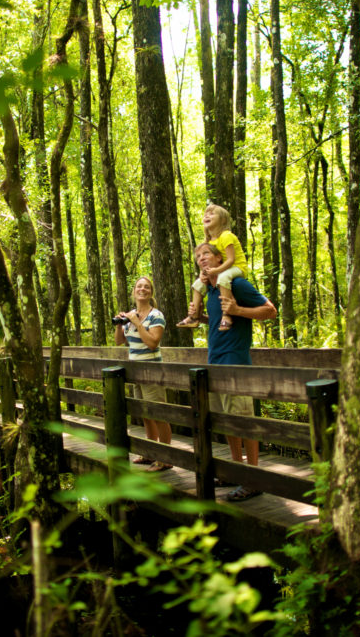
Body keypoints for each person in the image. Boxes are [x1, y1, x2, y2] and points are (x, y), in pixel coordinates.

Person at [193, 242, 277, 502]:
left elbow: (271, 310)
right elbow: (223, 318)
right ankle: (235, 471)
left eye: (206, 253)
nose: (201, 258)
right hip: (215, 359)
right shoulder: (211, 291)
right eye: (197, 256)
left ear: (221, 258)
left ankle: (252, 478)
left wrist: (238, 310)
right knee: (228, 421)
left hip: (236, 361)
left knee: (243, 420)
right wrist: (203, 318)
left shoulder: (238, 285)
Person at [114, 276, 173, 472]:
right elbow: (119, 342)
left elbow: (152, 343)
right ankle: (149, 453)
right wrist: (120, 323)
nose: (142, 289)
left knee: (157, 413)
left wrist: (138, 323)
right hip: (135, 371)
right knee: (145, 414)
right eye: (139, 286)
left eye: (146, 287)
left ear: (151, 292)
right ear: (134, 291)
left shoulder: (156, 315)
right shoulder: (131, 315)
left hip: (152, 370)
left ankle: (165, 457)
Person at [177, 204, 250, 332]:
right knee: (198, 284)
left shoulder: (226, 236)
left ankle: (227, 315)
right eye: (205, 214)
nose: (207, 215)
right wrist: (203, 274)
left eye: (212, 214)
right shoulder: (210, 242)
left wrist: (217, 271)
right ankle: (193, 316)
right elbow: (208, 262)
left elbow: (231, 259)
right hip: (223, 270)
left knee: (223, 277)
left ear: (222, 220)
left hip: (237, 267)